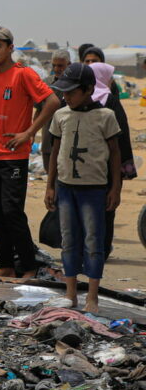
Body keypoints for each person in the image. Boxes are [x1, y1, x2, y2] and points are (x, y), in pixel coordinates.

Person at [0, 26, 61, 278]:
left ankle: (27, 266)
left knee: (12, 212)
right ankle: (6, 265)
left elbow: (52, 102)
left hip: (14, 156)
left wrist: (29, 132)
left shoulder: (23, 74)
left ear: (10, 48)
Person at [44, 63, 121, 314]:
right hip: (66, 188)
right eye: (63, 92)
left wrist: (115, 188)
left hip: (94, 189)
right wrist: (50, 186)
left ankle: (92, 297)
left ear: (88, 90)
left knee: (93, 241)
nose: (65, 96)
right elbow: (56, 151)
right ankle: (70, 294)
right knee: (69, 240)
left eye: (71, 92)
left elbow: (115, 153)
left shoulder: (106, 116)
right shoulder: (61, 115)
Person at [82, 46, 136, 257]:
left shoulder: (108, 101)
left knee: (103, 211)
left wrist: (120, 178)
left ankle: (98, 253)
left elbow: (120, 142)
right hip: (94, 170)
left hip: (98, 170)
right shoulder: (84, 100)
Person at [40, 49, 72, 170]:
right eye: (54, 65)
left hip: (68, 139)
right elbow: (39, 110)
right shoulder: (46, 83)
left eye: (60, 66)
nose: (57, 69)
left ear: (68, 65)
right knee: (50, 174)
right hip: (48, 139)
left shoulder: (75, 85)